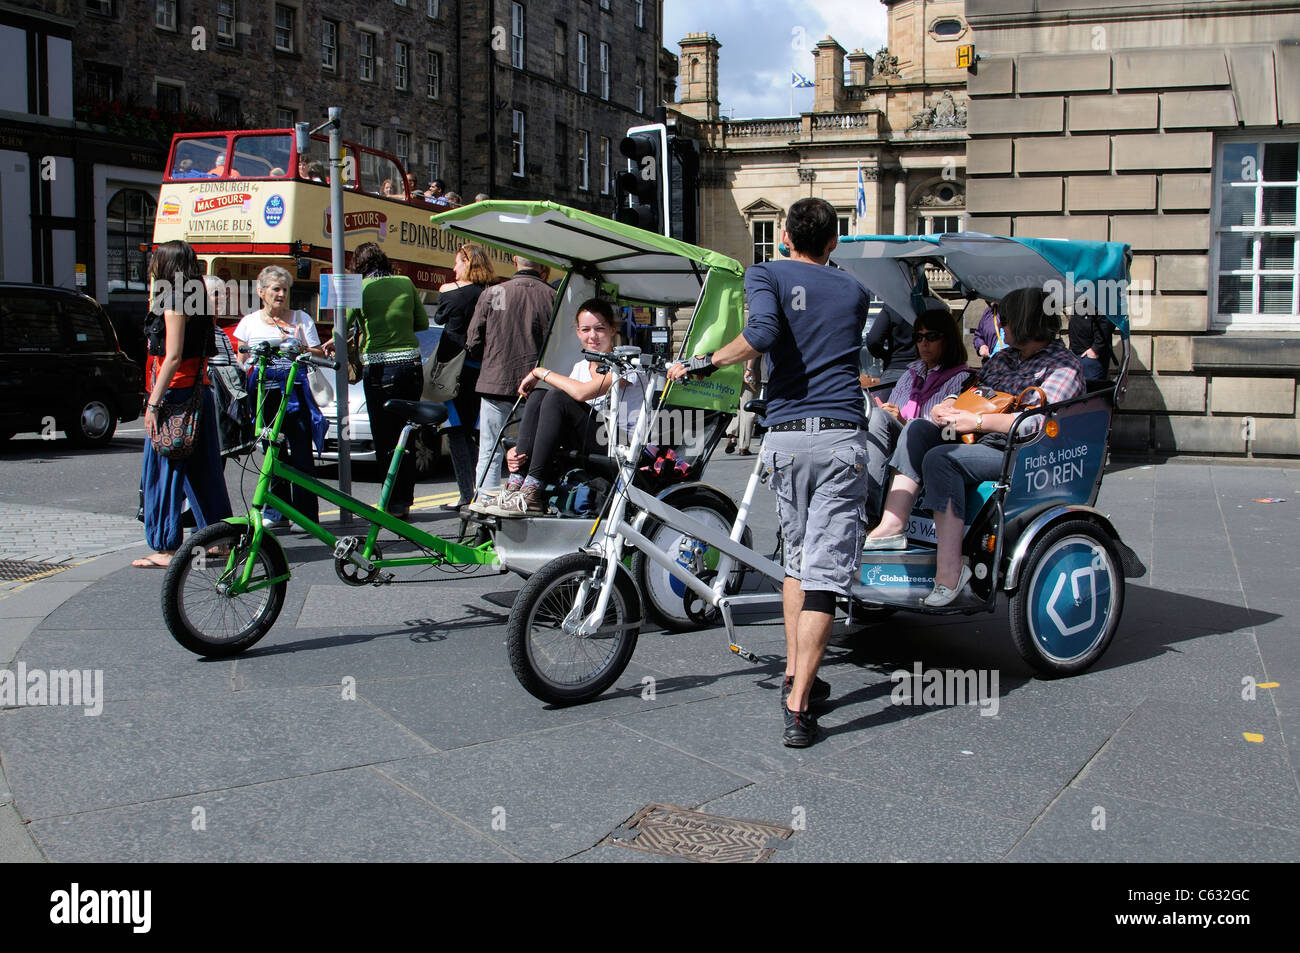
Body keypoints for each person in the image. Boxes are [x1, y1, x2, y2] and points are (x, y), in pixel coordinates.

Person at [668, 197, 871, 748]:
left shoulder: (766, 273)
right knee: (825, 574)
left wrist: (701, 361)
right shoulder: (855, 290)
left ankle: (793, 674)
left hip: (784, 437)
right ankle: (799, 706)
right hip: (839, 436)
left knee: (797, 560)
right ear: (833, 242)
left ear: (783, 236)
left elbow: (761, 333)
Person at [864, 286, 1084, 606]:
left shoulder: (1063, 366)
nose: (1000, 326)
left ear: (1025, 321)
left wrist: (976, 423)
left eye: (1005, 319)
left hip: (1023, 451)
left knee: (942, 458)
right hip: (981, 439)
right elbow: (976, 393)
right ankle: (892, 525)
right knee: (918, 430)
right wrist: (949, 405)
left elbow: (1036, 425)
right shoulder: (1004, 358)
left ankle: (951, 572)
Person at [487, 300, 643, 517]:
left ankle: (532, 490)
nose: (593, 336)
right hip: (591, 439)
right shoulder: (579, 367)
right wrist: (521, 450)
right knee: (540, 395)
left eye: (599, 329)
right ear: (578, 332)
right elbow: (557, 418)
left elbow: (580, 393)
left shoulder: (627, 364)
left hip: (623, 443)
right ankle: (517, 485)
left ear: (612, 330)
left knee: (557, 396)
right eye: (586, 329)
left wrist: (540, 372)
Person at [134, 241, 232, 568]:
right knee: (205, 473)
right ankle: (220, 541)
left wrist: (152, 403)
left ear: (166, 265)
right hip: (199, 393)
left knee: (163, 473)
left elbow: (172, 357)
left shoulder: (174, 299)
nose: (152, 267)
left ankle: (165, 548)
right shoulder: (199, 297)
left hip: (175, 396)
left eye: (156, 262)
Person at [233, 265, 326, 529]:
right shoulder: (249, 322)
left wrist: (300, 346)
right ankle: (276, 512)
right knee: (272, 453)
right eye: (276, 289)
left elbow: (318, 353)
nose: (281, 294)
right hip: (264, 394)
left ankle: (305, 515)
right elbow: (241, 360)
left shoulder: (301, 319)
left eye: (285, 289)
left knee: (301, 455)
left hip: (295, 392)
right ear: (261, 292)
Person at [342, 243, 429, 519]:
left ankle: (390, 501)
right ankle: (404, 502)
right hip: (411, 367)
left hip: (380, 369)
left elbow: (341, 324)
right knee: (408, 433)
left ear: (359, 265)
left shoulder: (359, 287)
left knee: (385, 437)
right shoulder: (405, 282)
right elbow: (423, 323)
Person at [864, 307, 974, 525]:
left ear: (948, 339)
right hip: (901, 440)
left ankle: (873, 516)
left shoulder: (962, 378)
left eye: (931, 337)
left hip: (937, 442)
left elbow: (949, 428)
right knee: (875, 416)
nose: (924, 343)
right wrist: (890, 414)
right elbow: (894, 409)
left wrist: (903, 421)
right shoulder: (910, 374)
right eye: (918, 337)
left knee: (890, 422)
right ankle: (865, 508)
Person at [465, 256, 554, 513]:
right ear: (542, 265)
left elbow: (473, 340)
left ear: (515, 260)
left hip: (496, 382)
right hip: (536, 388)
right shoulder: (551, 296)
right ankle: (523, 505)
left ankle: (483, 506)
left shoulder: (494, 292)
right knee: (529, 454)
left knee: (490, 451)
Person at [431, 243, 495, 510]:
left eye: (457, 262)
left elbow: (439, 315)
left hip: (455, 371)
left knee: (456, 432)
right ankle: (480, 491)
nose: (453, 268)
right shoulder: (491, 293)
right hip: (482, 371)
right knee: (474, 434)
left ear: (467, 264)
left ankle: (466, 493)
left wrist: (447, 289)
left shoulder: (452, 293)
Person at [864, 303, 917, 386]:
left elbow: (873, 340)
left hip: (894, 371)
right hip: (923, 372)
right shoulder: (928, 306)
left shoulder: (892, 307)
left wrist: (886, 356)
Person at [724, 357, 762, 455]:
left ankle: (732, 435)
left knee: (735, 405)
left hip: (733, 369)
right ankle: (743, 446)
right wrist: (750, 369)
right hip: (750, 371)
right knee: (748, 409)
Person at [1069, 310, 1112, 382]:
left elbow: (1106, 322)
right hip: (1078, 353)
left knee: (1090, 390)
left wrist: (1096, 349)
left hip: (1091, 357)